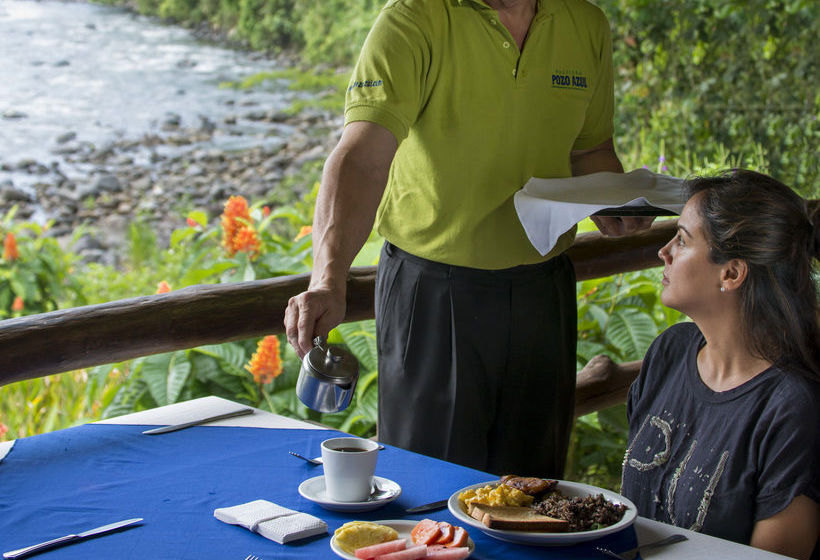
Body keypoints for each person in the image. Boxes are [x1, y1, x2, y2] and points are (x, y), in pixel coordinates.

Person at [284, 0, 653, 477]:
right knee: (428, 484)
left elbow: (591, 151)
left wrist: (613, 200)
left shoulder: (585, 22)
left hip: (544, 290)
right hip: (433, 292)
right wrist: (327, 278)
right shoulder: (415, 18)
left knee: (533, 487)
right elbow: (360, 158)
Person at [621, 169, 820, 559]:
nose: (664, 252)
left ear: (731, 273)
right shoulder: (670, 352)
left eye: (681, 239)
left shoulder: (792, 407)